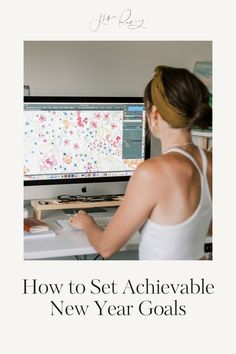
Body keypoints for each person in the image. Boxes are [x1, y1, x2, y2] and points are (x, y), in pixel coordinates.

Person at [70, 65, 212, 260]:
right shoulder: (211, 161)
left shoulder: (152, 172)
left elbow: (106, 248)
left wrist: (86, 223)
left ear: (153, 113)